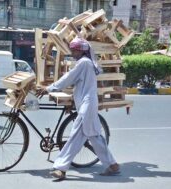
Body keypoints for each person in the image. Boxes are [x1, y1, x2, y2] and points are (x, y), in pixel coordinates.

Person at [36, 37, 120, 180]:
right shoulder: (86, 63)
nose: (72, 51)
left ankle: (61, 168)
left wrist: (49, 88)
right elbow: (78, 84)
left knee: (76, 136)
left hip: (87, 106)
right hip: (87, 104)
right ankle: (112, 165)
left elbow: (69, 78)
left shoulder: (84, 63)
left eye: (74, 49)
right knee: (95, 137)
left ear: (81, 50)